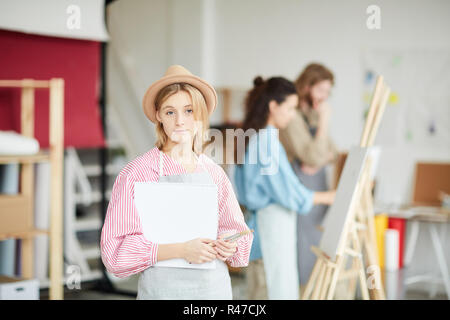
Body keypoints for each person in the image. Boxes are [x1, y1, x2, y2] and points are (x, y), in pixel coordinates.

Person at [100, 65, 253, 300]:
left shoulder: (214, 173)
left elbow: (238, 233)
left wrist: (229, 245)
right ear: (159, 115)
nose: (180, 121)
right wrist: (182, 250)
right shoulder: (137, 173)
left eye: (189, 111)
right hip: (162, 293)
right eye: (170, 112)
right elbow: (116, 255)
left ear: (200, 114)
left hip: (213, 292)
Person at [234, 76, 335, 300]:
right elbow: (290, 193)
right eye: (289, 109)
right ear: (273, 106)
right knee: (271, 290)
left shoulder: (254, 137)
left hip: (260, 227)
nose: (292, 116)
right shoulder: (266, 142)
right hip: (267, 229)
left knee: (264, 289)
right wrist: (327, 197)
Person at [279, 63, 339, 286]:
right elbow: (311, 158)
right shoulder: (292, 117)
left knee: (316, 242)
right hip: (301, 187)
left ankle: (313, 289)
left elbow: (332, 152)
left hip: (318, 185)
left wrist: (317, 156)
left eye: (327, 92)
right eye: (321, 90)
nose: (324, 97)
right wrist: (324, 121)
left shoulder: (311, 114)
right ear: (307, 86)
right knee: (303, 247)